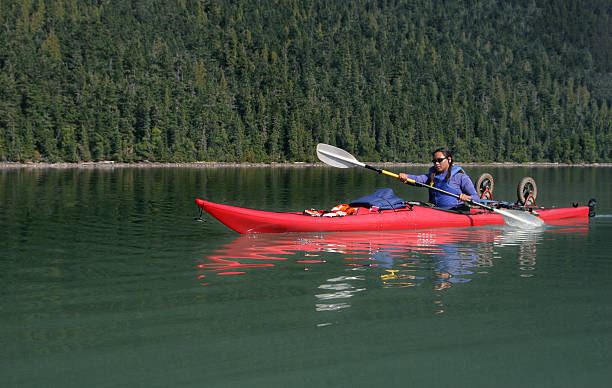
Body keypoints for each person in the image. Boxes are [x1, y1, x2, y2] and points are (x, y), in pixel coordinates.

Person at [398, 148, 481, 211]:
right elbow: (417, 180)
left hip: (456, 211)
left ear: (449, 159)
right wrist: (406, 177)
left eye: (440, 160)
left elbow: (476, 198)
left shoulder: (461, 177)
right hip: (436, 210)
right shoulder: (432, 176)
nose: (436, 163)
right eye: (434, 161)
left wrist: (467, 197)